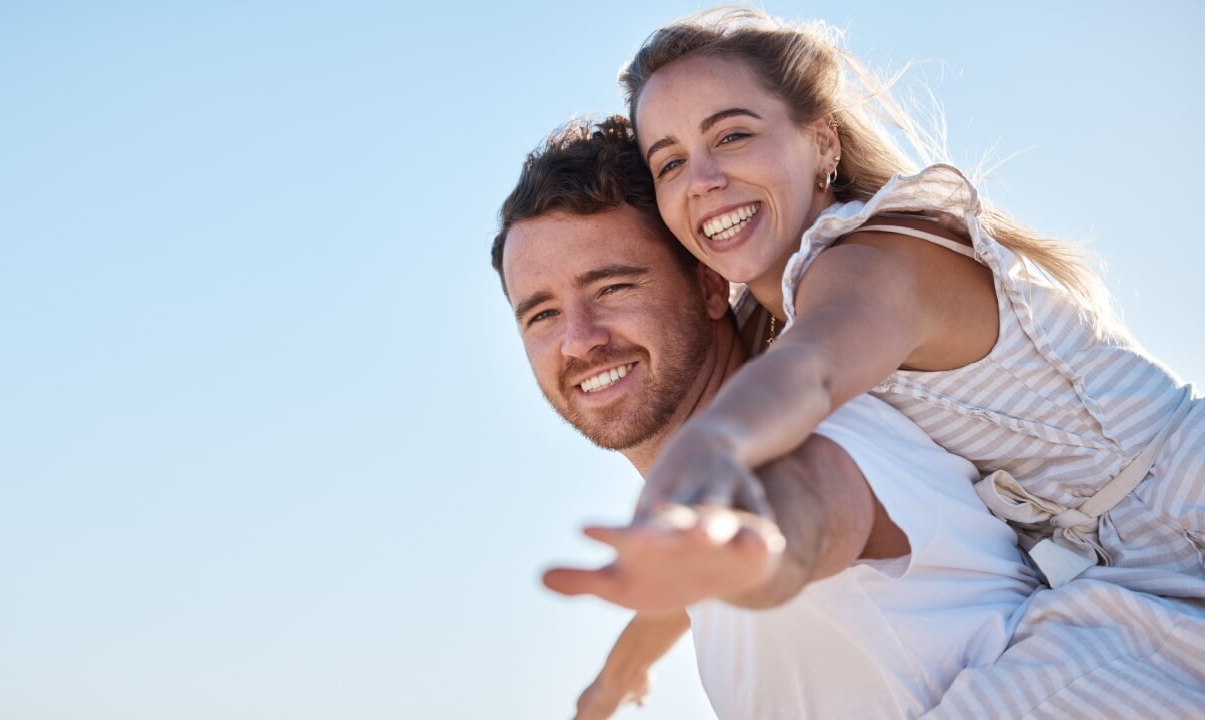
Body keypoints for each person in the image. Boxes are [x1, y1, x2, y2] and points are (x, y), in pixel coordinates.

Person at [612, 6, 1205, 712]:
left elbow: (814, 368)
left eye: (733, 135)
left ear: (822, 142)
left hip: (1182, 512)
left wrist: (711, 446)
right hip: (1108, 584)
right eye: (671, 162)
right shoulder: (778, 319)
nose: (702, 179)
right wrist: (626, 664)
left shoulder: (871, 259)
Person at [491, 115, 1037, 719]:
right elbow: (684, 584)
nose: (577, 340)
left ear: (708, 287)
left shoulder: (824, 439)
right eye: (540, 315)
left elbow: (803, 510)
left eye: (613, 288)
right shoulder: (693, 539)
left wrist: (748, 548)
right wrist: (615, 680)